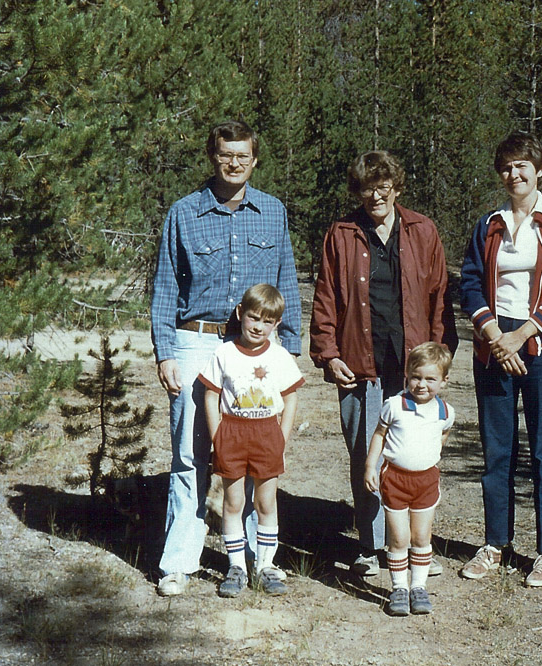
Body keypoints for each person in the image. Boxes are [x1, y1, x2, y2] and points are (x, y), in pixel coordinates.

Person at [150, 120, 302, 596]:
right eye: (225, 154)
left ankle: (260, 561)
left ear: (255, 160)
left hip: (255, 346)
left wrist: (288, 348)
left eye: (243, 155)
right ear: (212, 157)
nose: (234, 163)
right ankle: (180, 560)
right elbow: (165, 286)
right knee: (189, 453)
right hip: (196, 341)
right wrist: (166, 352)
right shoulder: (184, 212)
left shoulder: (272, 212)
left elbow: (287, 279)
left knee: (258, 450)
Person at [310, 150, 457, 577]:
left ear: (396, 186)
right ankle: (373, 546)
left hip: (412, 363)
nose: (374, 195)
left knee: (416, 450)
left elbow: (439, 295)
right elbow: (325, 297)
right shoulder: (341, 233)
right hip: (359, 360)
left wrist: (439, 353)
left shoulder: (421, 230)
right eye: (365, 188)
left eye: (382, 186)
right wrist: (328, 352)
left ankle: (416, 545)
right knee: (366, 453)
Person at [458, 131, 542, 587]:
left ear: (540, 169)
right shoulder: (488, 224)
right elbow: (469, 283)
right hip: (493, 347)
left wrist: (523, 335)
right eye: (507, 167)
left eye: (523, 165)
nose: (515, 174)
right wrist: (495, 336)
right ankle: (496, 544)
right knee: (497, 452)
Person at [199, 284, 305, 597]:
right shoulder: (224, 353)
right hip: (232, 431)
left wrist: (282, 436)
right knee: (233, 503)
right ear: (240, 314)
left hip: (266, 433)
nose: (258, 326)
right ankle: (236, 567)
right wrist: (218, 435)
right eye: (253, 317)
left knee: (265, 502)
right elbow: (210, 394)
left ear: (276, 324)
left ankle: (264, 566)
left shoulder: (280, 356)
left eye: (267, 321)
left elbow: (291, 397)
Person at [364, 342, 454, 615]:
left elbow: (442, 434)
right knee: (400, 538)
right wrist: (370, 465)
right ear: (407, 376)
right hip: (396, 480)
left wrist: (429, 456)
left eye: (430, 379)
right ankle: (399, 589)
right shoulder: (394, 405)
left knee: (421, 536)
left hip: (426, 481)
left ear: (443, 381)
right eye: (416, 377)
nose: (422, 385)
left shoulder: (445, 411)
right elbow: (379, 434)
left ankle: (418, 587)